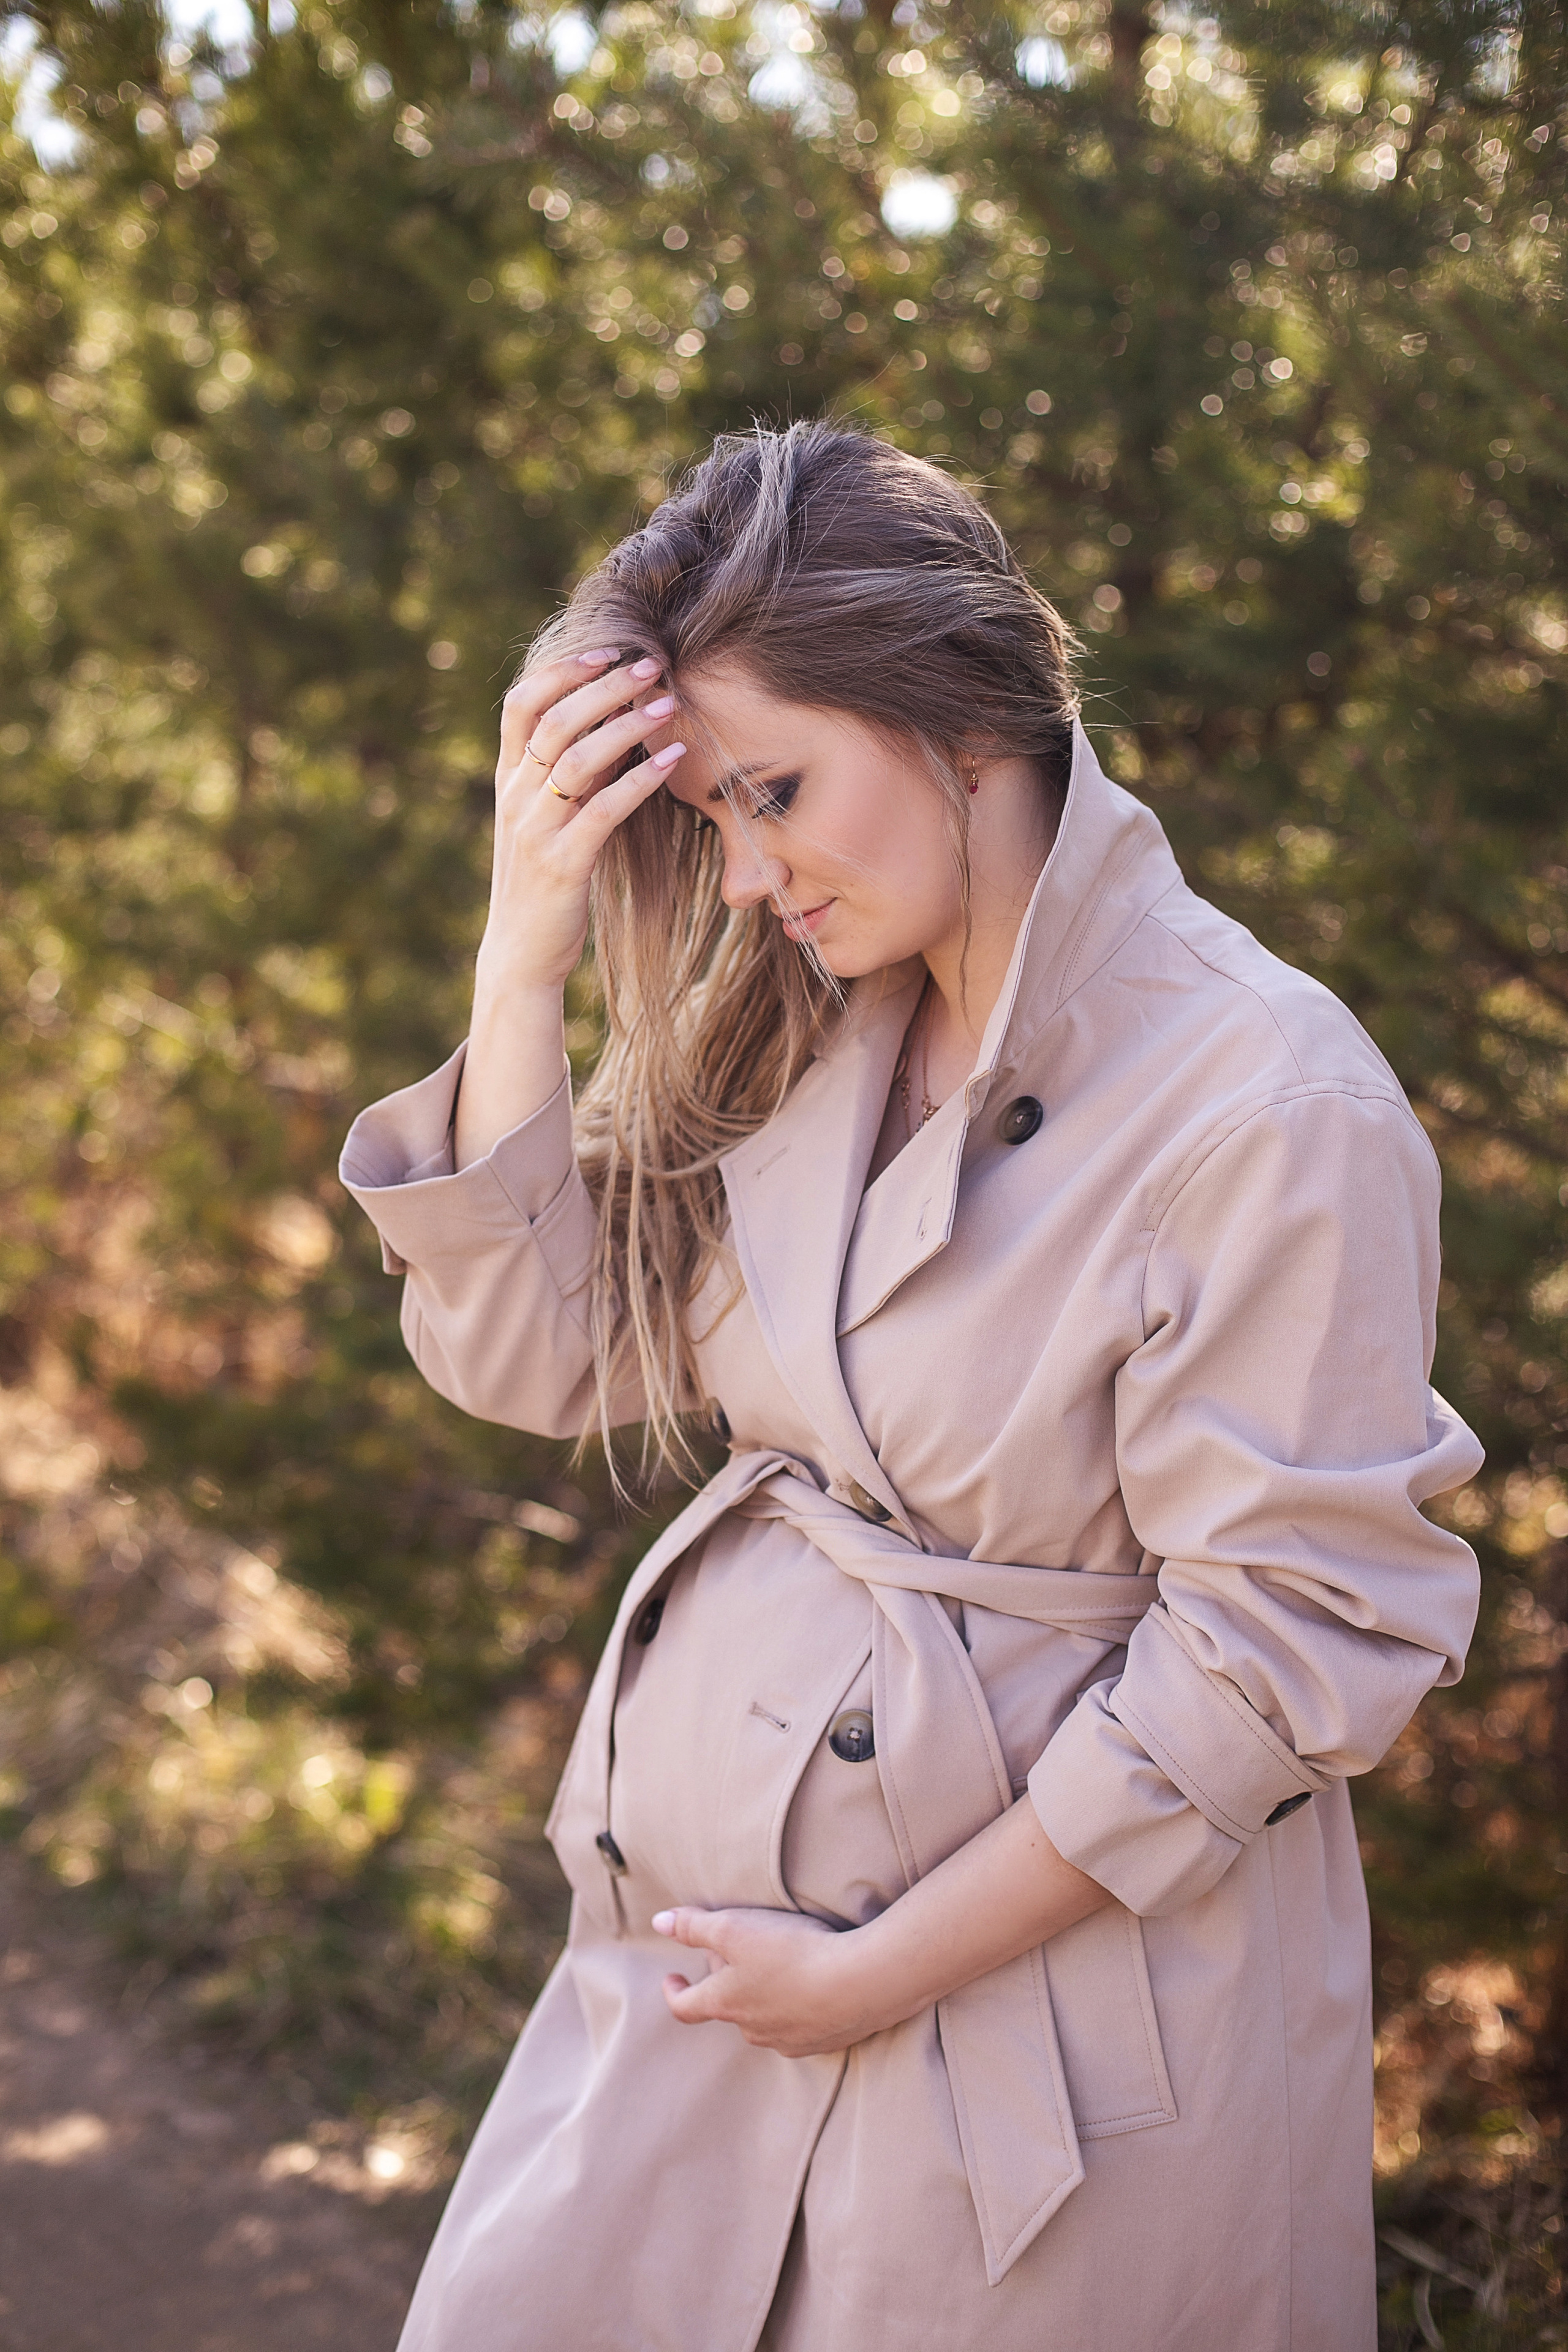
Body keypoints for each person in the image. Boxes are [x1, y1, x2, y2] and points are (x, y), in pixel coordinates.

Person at [341, 422, 1483, 2352]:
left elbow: (1279, 1656)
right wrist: (523, 952)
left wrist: (870, 1976)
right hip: (696, 2016)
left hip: (1057, 2045)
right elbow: (530, 1353)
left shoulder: (1266, 1095)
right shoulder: (794, 1021)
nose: (747, 869)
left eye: (773, 790)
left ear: (963, 718)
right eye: (708, 816)